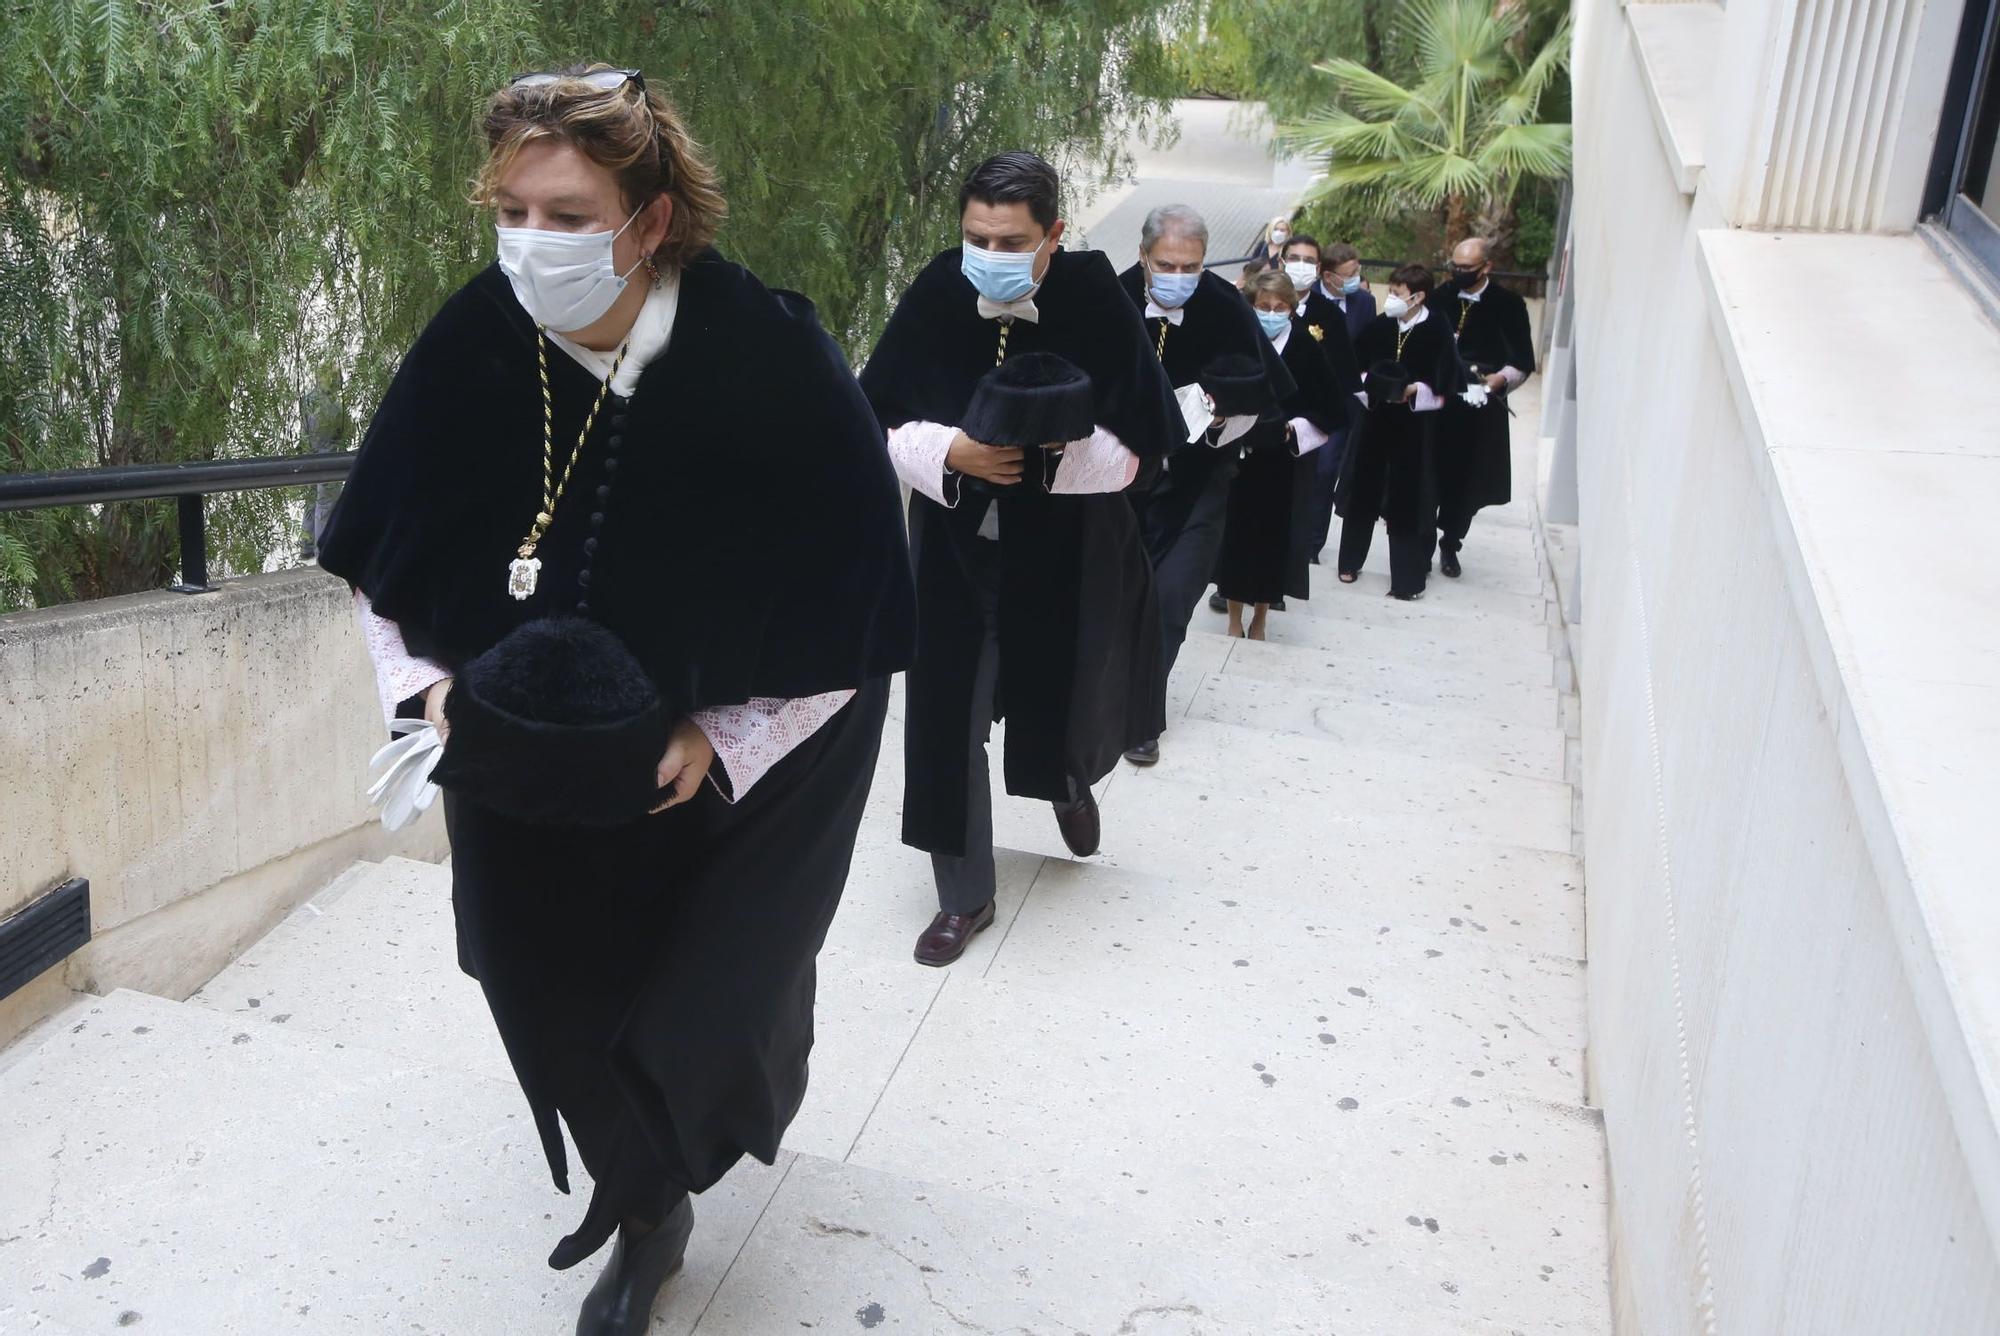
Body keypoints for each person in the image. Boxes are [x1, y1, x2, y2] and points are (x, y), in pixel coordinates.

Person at [315, 65, 915, 1336]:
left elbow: (853, 601)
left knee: (693, 1015)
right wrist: (423, 692)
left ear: (648, 220)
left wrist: (721, 731)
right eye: (512, 207)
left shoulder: (767, 354)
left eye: (568, 212)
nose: (531, 240)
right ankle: (642, 1199)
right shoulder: (477, 335)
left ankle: (653, 1218)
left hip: (709, 782)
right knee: (538, 988)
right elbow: (386, 551)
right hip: (520, 769)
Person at [860, 151, 1177, 967]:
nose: (990, 255)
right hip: (954, 556)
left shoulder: (1095, 297)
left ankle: (1066, 783)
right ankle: (964, 896)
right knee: (946, 717)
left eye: (1011, 241)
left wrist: (1041, 462)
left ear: (1053, 236)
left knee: (1060, 697)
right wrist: (953, 452)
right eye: (977, 237)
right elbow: (877, 416)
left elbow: (1144, 444)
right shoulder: (938, 288)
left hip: (1066, 552)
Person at [1117, 203, 1293, 766]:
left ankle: (1142, 718)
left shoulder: (1223, 306)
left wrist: (1219, 418)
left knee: (1170, 604)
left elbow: (1264, 394)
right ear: (1144, 258)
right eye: (1166, 264)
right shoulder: (1113, 298)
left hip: (1199, 484)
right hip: (1117, 486)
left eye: (1190, 266)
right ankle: (1104, 698)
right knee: (1116, 602)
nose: (1178, 277)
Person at [1214, 270, 1350, 637]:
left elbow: (1333, 407)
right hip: (1236, 454)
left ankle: (1260, 618)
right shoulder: (1240, 339)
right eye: (1263, 306)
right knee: (1234, 538)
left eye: (1279, 307)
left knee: (1272, 540)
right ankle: (1232, 618)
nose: (1270, 313)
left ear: (1291, 308)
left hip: (1282, 461)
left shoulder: (1306, 346)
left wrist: (1294, 429)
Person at [1334, 262, 1463, 600]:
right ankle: (1349, 561)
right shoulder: (1382, 325)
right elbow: (1354, 365)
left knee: (1409, 498)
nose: (1390, 298)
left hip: (1415, 427)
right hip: (1376, 420)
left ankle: (1406, 579)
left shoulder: (1437, 329)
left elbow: (1446, 383)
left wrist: (1414, 391)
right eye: (1390, 291)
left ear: (1418, 297)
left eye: (1397, 293)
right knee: (1363, 491)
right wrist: (1372, 385)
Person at [1434, 237, 1536, 578]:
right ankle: (1419, 540)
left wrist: (1497, 381)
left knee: (1467, 477)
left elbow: (1521, 360)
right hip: (1440, 399)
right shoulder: (1441, 297)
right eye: (1455, 267)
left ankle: (1451, 541)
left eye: (1467, 269)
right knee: (1430, 468)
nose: (1459, 274)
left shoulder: (1508, 304)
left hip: (1481, 404)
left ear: (1486, 267)